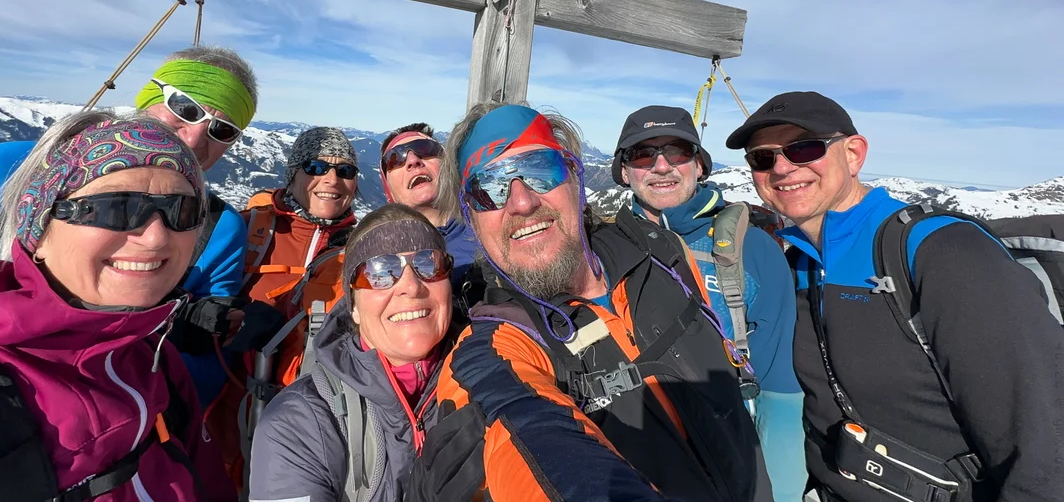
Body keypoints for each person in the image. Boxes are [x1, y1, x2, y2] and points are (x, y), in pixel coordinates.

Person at [0, 113, 236, 501]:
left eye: (183, 210)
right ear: (38, 229)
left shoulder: (154, 359)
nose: (157, 237)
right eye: (116, 208)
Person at [423, 102, 773, 502]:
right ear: (471, 218)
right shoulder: (492, 351)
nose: (521, 202)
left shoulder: (666, 257)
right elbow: (523, 438)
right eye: (489, 188)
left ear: (576, 180)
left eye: (541, 170)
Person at [726, 91, 1064, 502]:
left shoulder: (942, 252)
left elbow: (1042, 436)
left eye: (804, 148)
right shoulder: (800, 262)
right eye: (763, 158)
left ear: (853, 154)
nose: (782, 167)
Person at [0, 45, 257, 317]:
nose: (193, 138)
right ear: (147, 98)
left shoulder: (217, 228)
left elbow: (206, 352)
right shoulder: (7, 169)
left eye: (222, 130)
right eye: (184, 107)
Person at [613, 105, 805, 501]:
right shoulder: (601, 251)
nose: (661, 166)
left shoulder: (750, 250)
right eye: (643, 154)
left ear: (699, 165)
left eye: (678, 151)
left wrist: (780, 492)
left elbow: (780, 391)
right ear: (624, 172)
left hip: (727, 462)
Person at [248, 203, 461, 502]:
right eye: (381, 272)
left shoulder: (493, 384)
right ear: (355, 308)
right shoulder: (297, 424)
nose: (411, 287)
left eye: (429, 264)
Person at [207, 126, 361, 487]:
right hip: (223, 413)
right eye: (315, 166)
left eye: (346, 170)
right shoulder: (247, 229)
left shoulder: (361, 249)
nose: (332, 179)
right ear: (293, 174)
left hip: (306, 420)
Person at [379, 123, 478, 288]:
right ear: (388, 190)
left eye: (425, 149)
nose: (413, 160)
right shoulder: (381, 257)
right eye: (395, 159)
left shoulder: (489, 225)